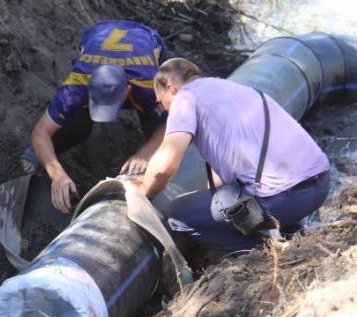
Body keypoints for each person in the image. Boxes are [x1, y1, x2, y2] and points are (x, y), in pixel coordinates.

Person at [138, 58, 331, 252]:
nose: (163, 109)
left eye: (161, 101)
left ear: (171, 89)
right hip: (321, 185)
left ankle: (260, 254)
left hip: (283, 200)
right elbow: (220, 183)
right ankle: (297, 238)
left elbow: (163, 168)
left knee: (177, 214)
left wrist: (143, 193)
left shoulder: (185, 97)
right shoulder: (237, 89)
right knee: (245, 194)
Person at [22, 20, 167, 214]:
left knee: (156, 135)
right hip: (98, 33)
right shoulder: (76, 86)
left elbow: (170, 126)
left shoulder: (149, 86)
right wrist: (57, 174)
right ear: (88, 89)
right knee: (77, 124)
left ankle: (148, 189)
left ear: (127, 91)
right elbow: (40, 132)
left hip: (147, 38)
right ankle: (43, 153)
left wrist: (145, 154)